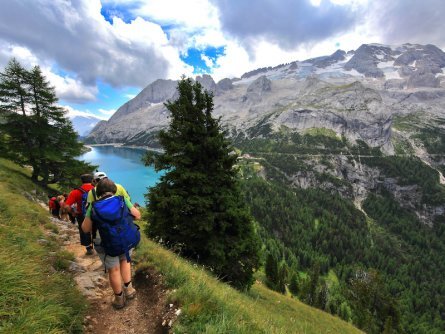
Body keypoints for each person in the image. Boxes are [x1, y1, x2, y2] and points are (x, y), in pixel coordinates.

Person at [82, 178, 141, 309]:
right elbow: (137, 215)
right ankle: (129, 290)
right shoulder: (121, 200)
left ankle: (119, 299)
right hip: (123, 238)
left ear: (97, 192)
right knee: (125, 261)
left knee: (113, 270)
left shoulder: (93, 206)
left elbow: (85, 229)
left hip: (104, 243)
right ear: (114, 190)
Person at [63, 174, 95, 255]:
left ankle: (89, 248)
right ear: (92, 180)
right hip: (96, 213)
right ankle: (100, 246)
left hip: (82, 214)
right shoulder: (96, 189)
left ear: (82, 181)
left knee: (84, 230)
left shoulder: (75, 192)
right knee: (97, 229)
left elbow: (66, 206)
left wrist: (73, 212)